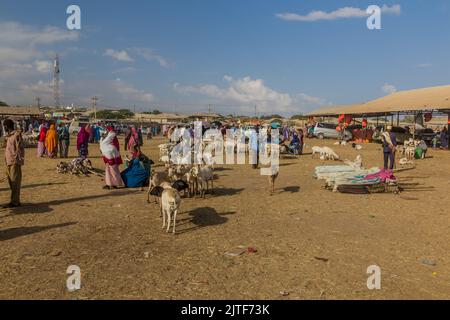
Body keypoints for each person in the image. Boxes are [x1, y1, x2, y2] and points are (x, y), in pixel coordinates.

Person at [3, 119, 24, 208]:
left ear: (7, 126)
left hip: (14, 162)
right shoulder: (9, 136)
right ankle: (15, 200)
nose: (4, 128)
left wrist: (16, 160)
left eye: (5, 126)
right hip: (8, 162)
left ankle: (15, 202)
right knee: (11, 182)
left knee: (15, 182)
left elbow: (20, 149)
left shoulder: (16, 135)